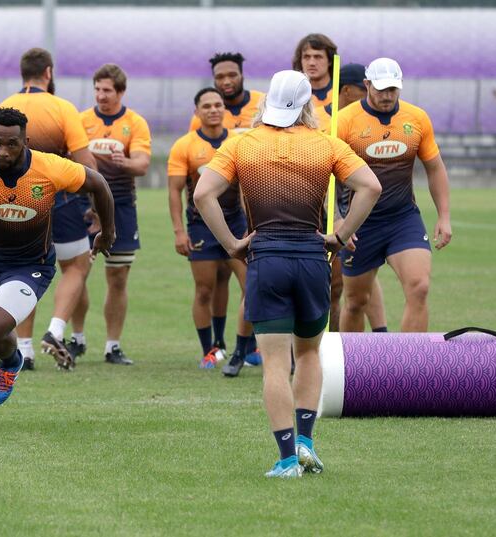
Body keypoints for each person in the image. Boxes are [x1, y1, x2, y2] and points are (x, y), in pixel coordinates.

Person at [194, 70, 381, 477]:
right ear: (307, 105)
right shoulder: (326, 143)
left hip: (266, 259)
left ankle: (285, 459)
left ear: (267, 104)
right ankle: (306, 442)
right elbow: (370, 186)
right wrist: (340, 235)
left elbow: (202, 193)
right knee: (309, 352)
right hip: (313, 258)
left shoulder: (241, 143)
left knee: (276, 363)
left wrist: (231, 244)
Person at [0, 107, 114, 427]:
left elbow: (98, 184)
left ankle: (11, 361)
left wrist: (108, 231)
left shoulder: (49, 168)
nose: (2, 151)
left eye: (12, 144)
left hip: (31, 265)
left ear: (26, 142)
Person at [0, 48, 98, 370]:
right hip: (58, 198)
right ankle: (55, 330)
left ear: (22, 72)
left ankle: (24, 350)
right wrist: (96, 205)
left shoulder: (4, 107)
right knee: (77, 267)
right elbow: (86, 162)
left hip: (13, 200)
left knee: (22, 271)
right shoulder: (62, 108)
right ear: (49, 73)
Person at [338, 58, 452, 332]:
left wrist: (444, 216)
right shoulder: (345, 122)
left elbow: (435, 168)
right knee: (355, 301)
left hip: (403, 219)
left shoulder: (416, 118)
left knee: (420, 288)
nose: (387, 95)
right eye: (380, 89)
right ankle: (353, 370)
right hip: (359, 224)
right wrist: (338, 219)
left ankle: (410, 369)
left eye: (393, 89)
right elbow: (326, 177)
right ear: (366, 85)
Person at [167, 87, 259, 375]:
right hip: (200, 225)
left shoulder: (239, 142)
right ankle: (210, 349)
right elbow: (174, 190)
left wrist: (253, 223)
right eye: (206, 105)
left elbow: (248, 185)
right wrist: (179, 231)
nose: (213, 109)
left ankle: (245, 348)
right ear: (197, 112)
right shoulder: (185, 145)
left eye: (218, 104)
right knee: (205, 289)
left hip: (236, 223)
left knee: (250, 286)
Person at [69, 64, 151, 365]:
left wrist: (123, 162)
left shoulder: (135, 123)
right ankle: (76, 339)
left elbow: (142, 165)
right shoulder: (80, 121)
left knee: (118, 278)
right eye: (98, 90)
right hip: (83, 205)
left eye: (107, 91)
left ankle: (112, 346)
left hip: (121, 205)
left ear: (120, 92)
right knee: (77, 272)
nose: (101, 96)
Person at [188, 52, 264, 359]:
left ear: (242, 74)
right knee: (213, 281)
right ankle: (215, 346)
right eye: (220, 77)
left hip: (244, 212)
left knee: (252, 282)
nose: (226, 81)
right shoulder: (200, 119)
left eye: (231, 75)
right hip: (208, 216)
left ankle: (251, 345)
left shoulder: (261, 104)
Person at [315, 63, 388, 333]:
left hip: (359, 211)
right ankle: (324, 351)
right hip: (324, 211)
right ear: (348, 90)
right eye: (364, 88)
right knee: (333, 288)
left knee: (357, 279)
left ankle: (379, 335)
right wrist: (334, 216)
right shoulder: (323, 121)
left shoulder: (371, 120)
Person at [292, 33, 338, 107]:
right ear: (300, 60)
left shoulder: (342, 93)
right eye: (306, 57)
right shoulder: (293, 95)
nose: (312, 63)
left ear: (330, 61)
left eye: (318, 57)